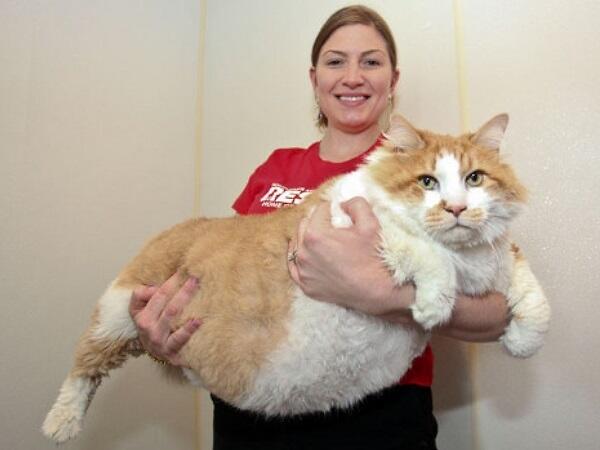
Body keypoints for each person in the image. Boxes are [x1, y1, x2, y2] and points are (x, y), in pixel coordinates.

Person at [129, 5, 510, 449]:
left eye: (371, 61)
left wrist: (381, 295)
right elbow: (221, 283)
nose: (353, 77)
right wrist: (159, 339)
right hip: (249, 408)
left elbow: (499, 314)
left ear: (393, 80)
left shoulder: (433, 174)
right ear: (315, 79)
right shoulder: (276, 167)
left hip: (375, 418)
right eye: (335, 61)